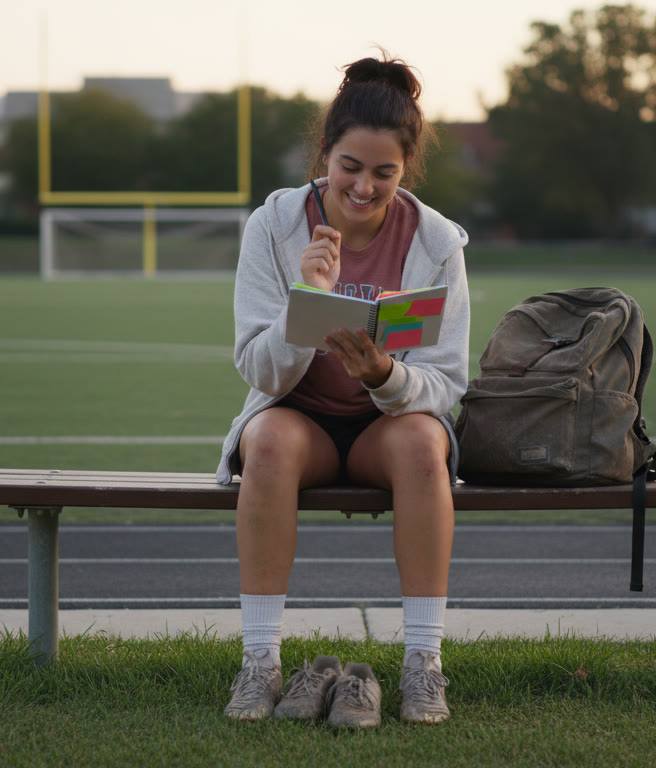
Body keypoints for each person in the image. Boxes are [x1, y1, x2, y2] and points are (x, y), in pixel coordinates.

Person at [214, 53, 470, 727]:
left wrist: (384, 375)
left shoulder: (436, 241)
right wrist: (308, 303)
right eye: (349, 167)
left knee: (421, 443)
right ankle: (260, 662)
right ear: (324, 153)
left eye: (384, 173)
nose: (363, 187)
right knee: (264, 441)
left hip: (386, 429)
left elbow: (445, 384)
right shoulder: (273, 226)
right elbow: (258, 371)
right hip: (302, 422)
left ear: (405, 170)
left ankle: (423, 664)